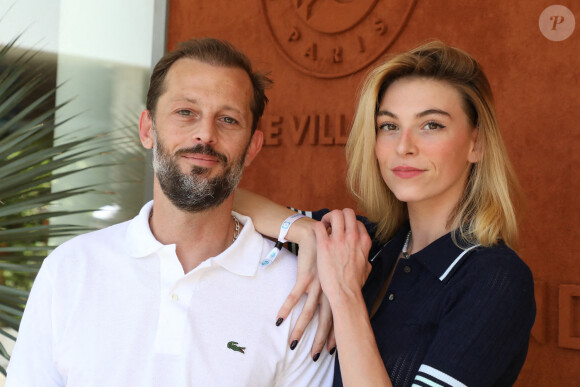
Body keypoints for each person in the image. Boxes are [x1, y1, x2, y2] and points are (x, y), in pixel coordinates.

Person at [6, 38, 334, 386]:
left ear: (252, 147)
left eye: (227, 119)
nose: (205, 134)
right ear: (148, 129)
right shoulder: (70, 268)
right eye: (186, 112)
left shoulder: (297, 292)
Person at [233, 41, 536, 386]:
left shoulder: (495, 279)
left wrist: (345, 294)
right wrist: (303, 229)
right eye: (389, 126)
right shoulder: (366, 242)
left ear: (476, 144)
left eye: (431, 125)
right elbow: (228, 200)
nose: (404, 146)